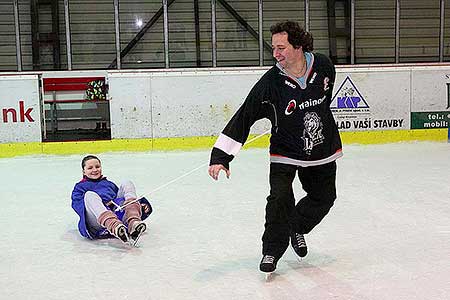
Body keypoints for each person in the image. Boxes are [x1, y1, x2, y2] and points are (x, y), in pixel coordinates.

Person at [208, 20, 342, 273]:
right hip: (285, 151)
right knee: (279, 198)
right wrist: (220, 157)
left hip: (322, 149)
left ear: (299, 46)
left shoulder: (324, 66)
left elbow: (324, 102)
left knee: (324, 198)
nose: (276, 53)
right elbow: (244, 116)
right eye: (274, 48)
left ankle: (297, 227)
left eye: (281, 47)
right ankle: (271, 250)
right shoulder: (270, 83)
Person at [71, 155, 152, 245]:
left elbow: (120, 200)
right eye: (90, 168)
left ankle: (133, 222)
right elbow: (77, 205)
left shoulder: (109, 184)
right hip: (97, 222)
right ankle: (114, 226)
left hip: (116, 216)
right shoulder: (79, 187)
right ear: (84, 171)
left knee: (127, 183)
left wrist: (138, 205)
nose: (95, 170)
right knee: (89, 195)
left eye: (97, 167)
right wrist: (104, 204)